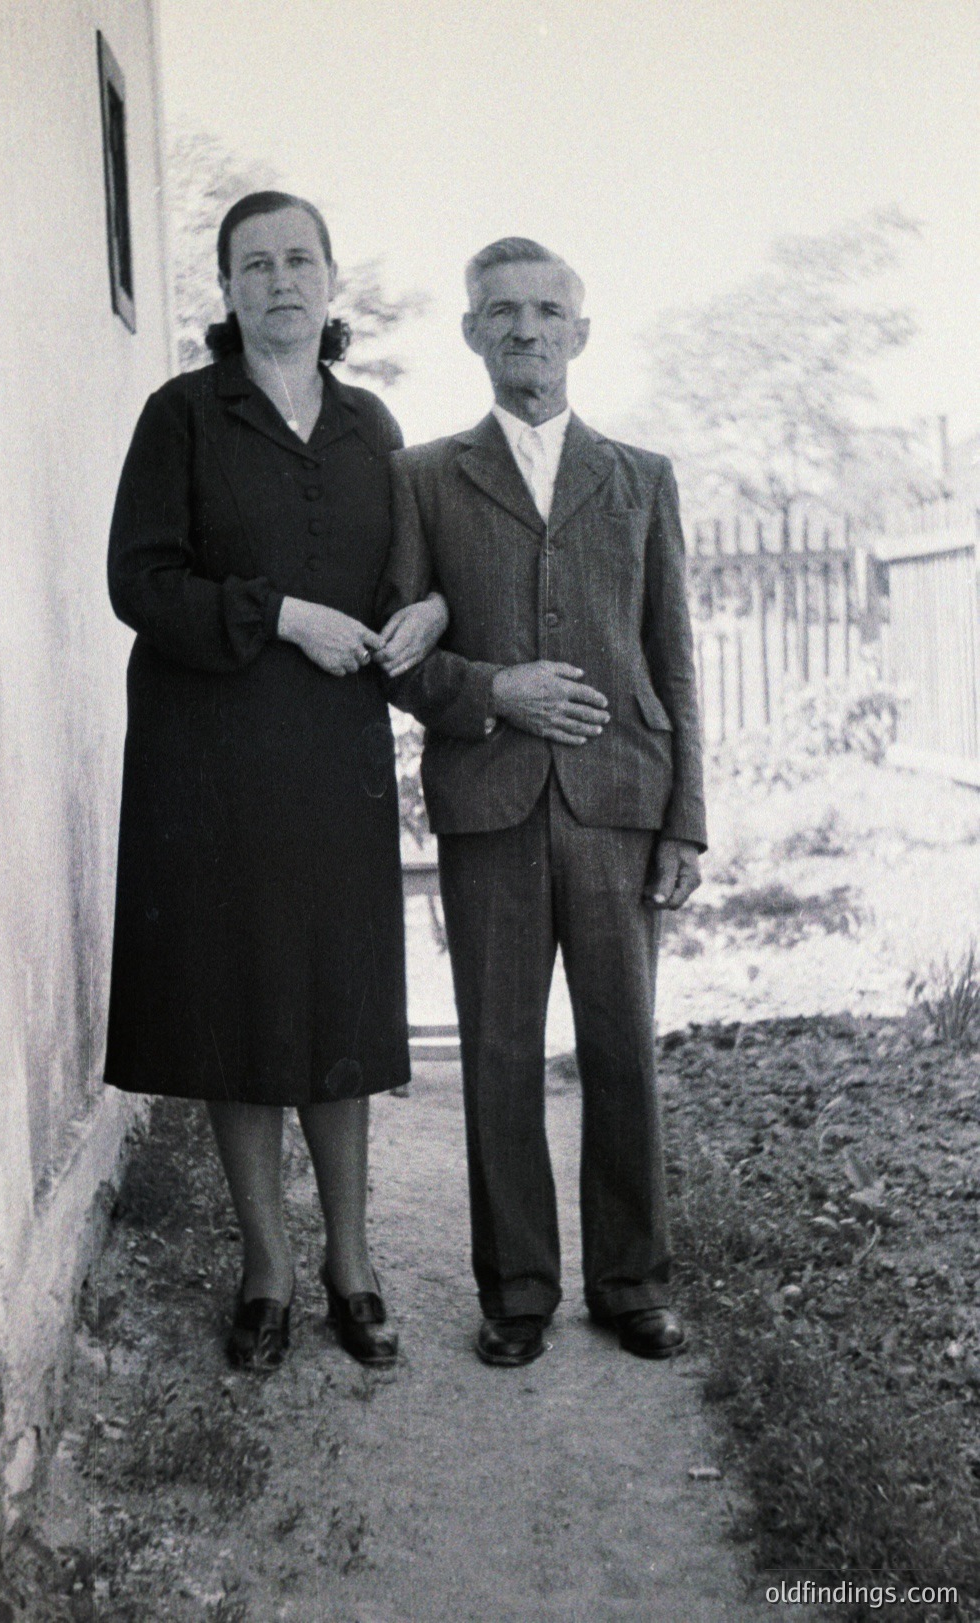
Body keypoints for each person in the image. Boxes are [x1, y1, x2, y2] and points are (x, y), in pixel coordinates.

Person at [104, 192, 447, 1372]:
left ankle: (352, 1265)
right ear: (230, 291)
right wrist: (281, 615)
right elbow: (137, 583)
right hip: (208, 762)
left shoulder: (373, 427)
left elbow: (411, 576)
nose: (281, 281)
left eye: (301, 258)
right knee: (235, 1010)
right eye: (256, 265)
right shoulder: (183, 417)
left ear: (333, 279)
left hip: (334, 760)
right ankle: (267, 1272)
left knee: (334, 1002)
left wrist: (427, 613)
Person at [385, 237, 706, 1367]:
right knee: (501, 1052)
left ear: (581, 329)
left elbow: (674, 657)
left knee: (623, 1048)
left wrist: (687, 822)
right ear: (472, 333)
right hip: (491, 807)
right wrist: (493, 691)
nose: (526, 330)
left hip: (621, 803)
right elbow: (399, 658)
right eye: (502, 312)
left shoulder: (643, 477)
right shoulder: (425, 476)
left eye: (547, 310)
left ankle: (632, 1283)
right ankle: (517, 1289)